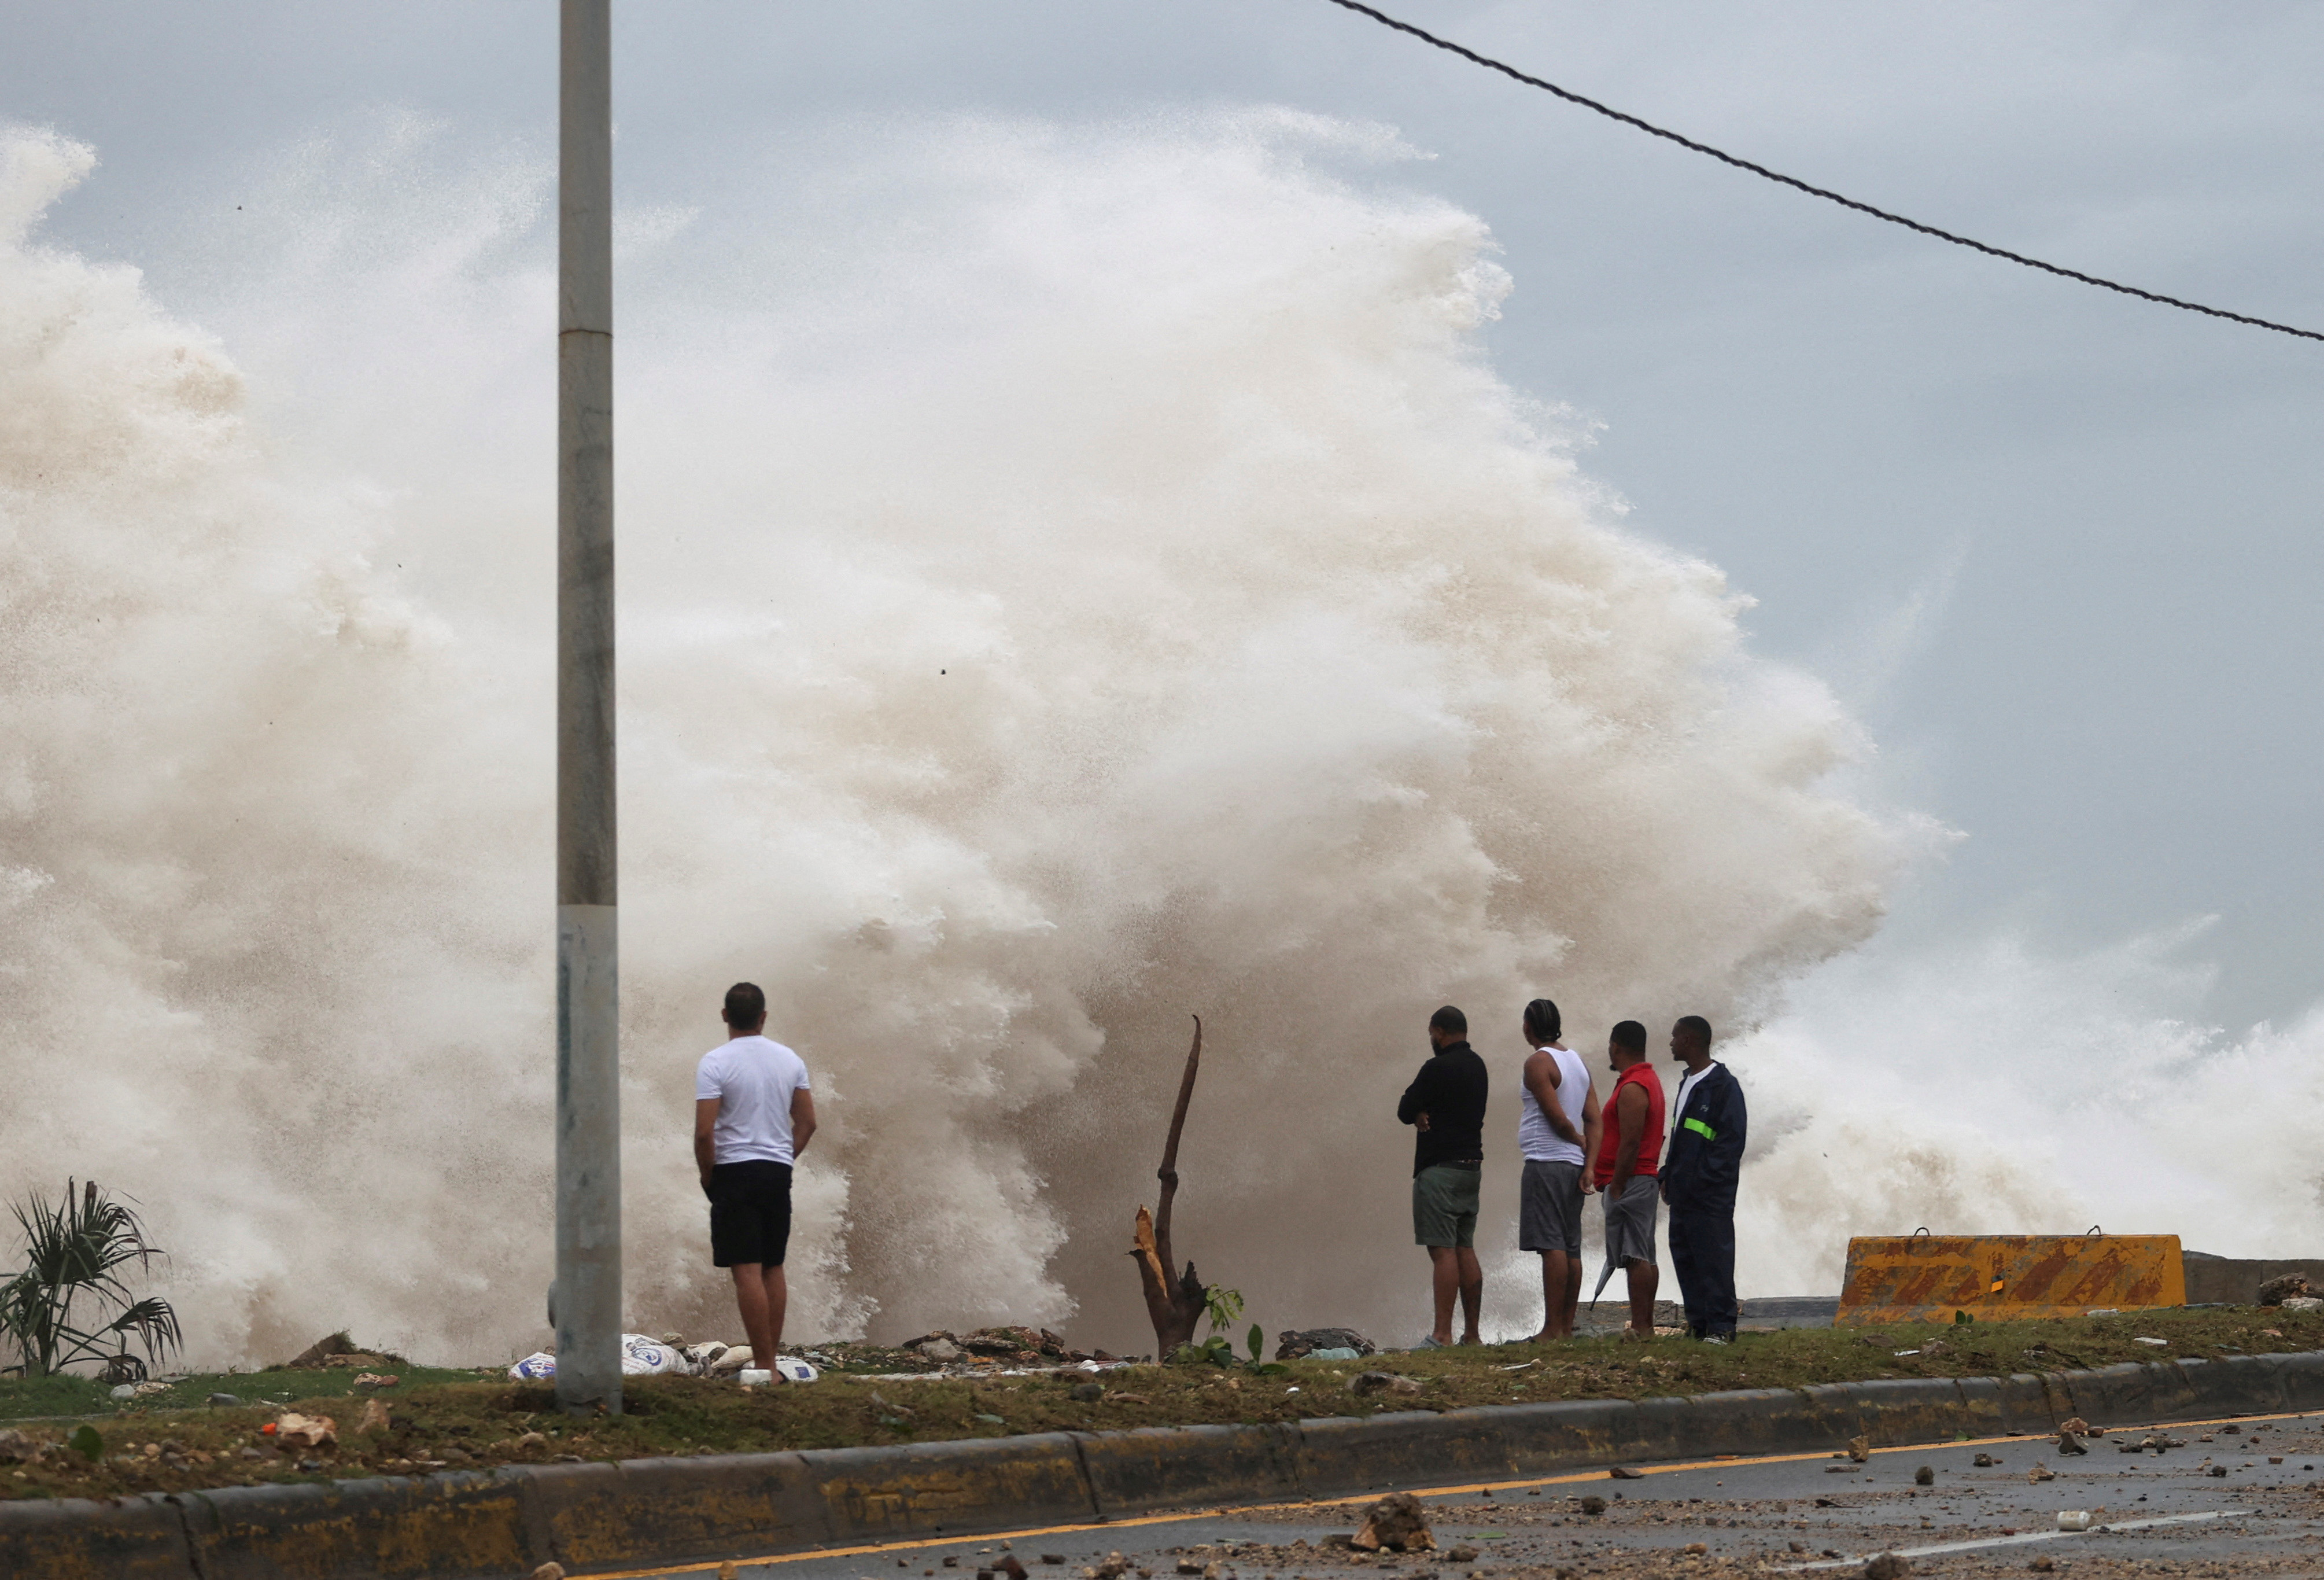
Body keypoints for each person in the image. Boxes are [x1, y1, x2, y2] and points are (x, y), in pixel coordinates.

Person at [694, 982, 817, 1378]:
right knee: (773, 1266)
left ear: (725, 1015)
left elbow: (703, 1133)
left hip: (734, 1170)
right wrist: (783, 1157)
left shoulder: (715, 1062)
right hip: (776, 1171)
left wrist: (708, 1174)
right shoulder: (789, 1059)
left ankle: (764, 1363)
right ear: (763, 1016)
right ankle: (770, 1360)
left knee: (746, 1269)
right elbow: (808, 1122)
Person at [1396, 1004, 1488, 1347]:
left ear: (1439, 1031)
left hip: (1440, 1171)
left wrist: (1420, 1110)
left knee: (1443, 1252)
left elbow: (1405, 1109)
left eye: (1431, 1033)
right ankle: (1473, 1335)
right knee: (1465, 1247)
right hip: (1471, 1169)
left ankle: (1442, 1335)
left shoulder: (1436, 1068)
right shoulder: (1479, 1067)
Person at [1517, 998, 1600, 1342]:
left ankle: (1552, 1329)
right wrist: (1590, 1165)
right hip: (1573, 1167)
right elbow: (1595, 1117)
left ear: (1529, 1026)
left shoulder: (1538, 1062)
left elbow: (1558, 1119)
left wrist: (1578, 1142)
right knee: (1570, 1247)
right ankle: (1565, 1328)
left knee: (1552, 1246)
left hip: (1546, 1161)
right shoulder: (1576, 1061)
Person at [1662, 1014, 1747, 1343]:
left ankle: (1722, 1329)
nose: (1670, 1043)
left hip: (1710, 1198)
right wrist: (1667, 1175)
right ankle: (1699, 1327)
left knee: (1714, 1262)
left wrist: (1702, 1182)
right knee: (1687, 1261)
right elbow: (1681, 1139)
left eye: (1674, 1037)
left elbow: (1730, 1145)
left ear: (1689, 1040)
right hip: (1683, 1197)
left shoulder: (1724, 1086)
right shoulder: (1687, 1083)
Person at [1588, 1019, 1665, 1340]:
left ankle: (1642, 1327)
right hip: (1640, 1181)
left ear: (1616, 1045)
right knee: (1645, 1253)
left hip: (1632, 1182)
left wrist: (1617, 1184)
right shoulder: (1645, 1080)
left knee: (1636, 1257)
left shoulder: (1634, 1086)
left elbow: (1630, 1142)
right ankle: (1644, 1326)